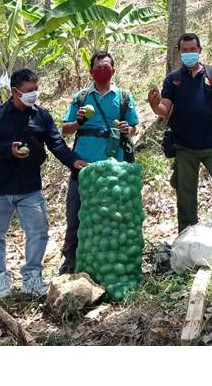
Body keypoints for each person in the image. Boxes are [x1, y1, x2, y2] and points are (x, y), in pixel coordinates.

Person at [0, 68, 88, 297]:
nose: (34, 94)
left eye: (36, 89)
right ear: (15, 91)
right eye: (29, 91)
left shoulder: (41, 116)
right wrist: (8, 150)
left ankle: (32, 276)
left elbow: (56, 144)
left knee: (38, 230)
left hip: (30, 187)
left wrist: (74, 161)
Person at [148, 33, 212, 232]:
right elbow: (165, 109)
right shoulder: (173, 79)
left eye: (192, 50)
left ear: (199, 50)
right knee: (185, 195)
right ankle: (187, 234)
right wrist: (154, 105)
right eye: (185, 50)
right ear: (179, 53)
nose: (189, 53)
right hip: (184, 147)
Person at [58, 51, 140, 274]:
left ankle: (110, 262)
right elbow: (65, 130)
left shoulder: (123, 96)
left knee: (113, 215)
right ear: (91, 71)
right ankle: (70, 261)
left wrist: (128, 129)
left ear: (113, 70)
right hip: (84, 166)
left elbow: (134, 127)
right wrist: (78, 121)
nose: (103, 71)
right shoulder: (81, 98)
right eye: (98, 67)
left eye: (106, 67)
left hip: (115, 168)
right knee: (76, 213)